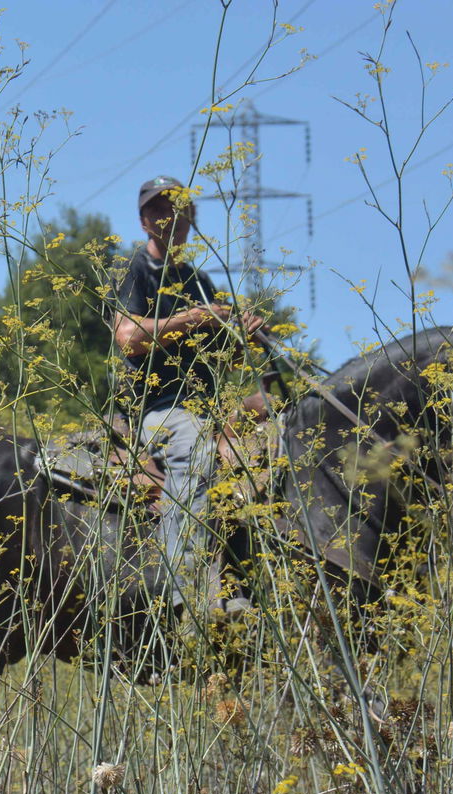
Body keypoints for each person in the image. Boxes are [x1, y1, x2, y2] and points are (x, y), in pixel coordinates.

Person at [110, 176, 263, 618]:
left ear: (192, 219)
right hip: (157, 408)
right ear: (144, 221)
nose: (171, 216)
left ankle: (248, 589)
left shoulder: (200, 280)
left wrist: (245, 337)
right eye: (160, 210)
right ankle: (187, 590)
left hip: (208, 405)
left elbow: (224, 357)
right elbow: (128, 337)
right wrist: (193, 317)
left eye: (180, 208)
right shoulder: (133, 269)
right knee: (194, 443)